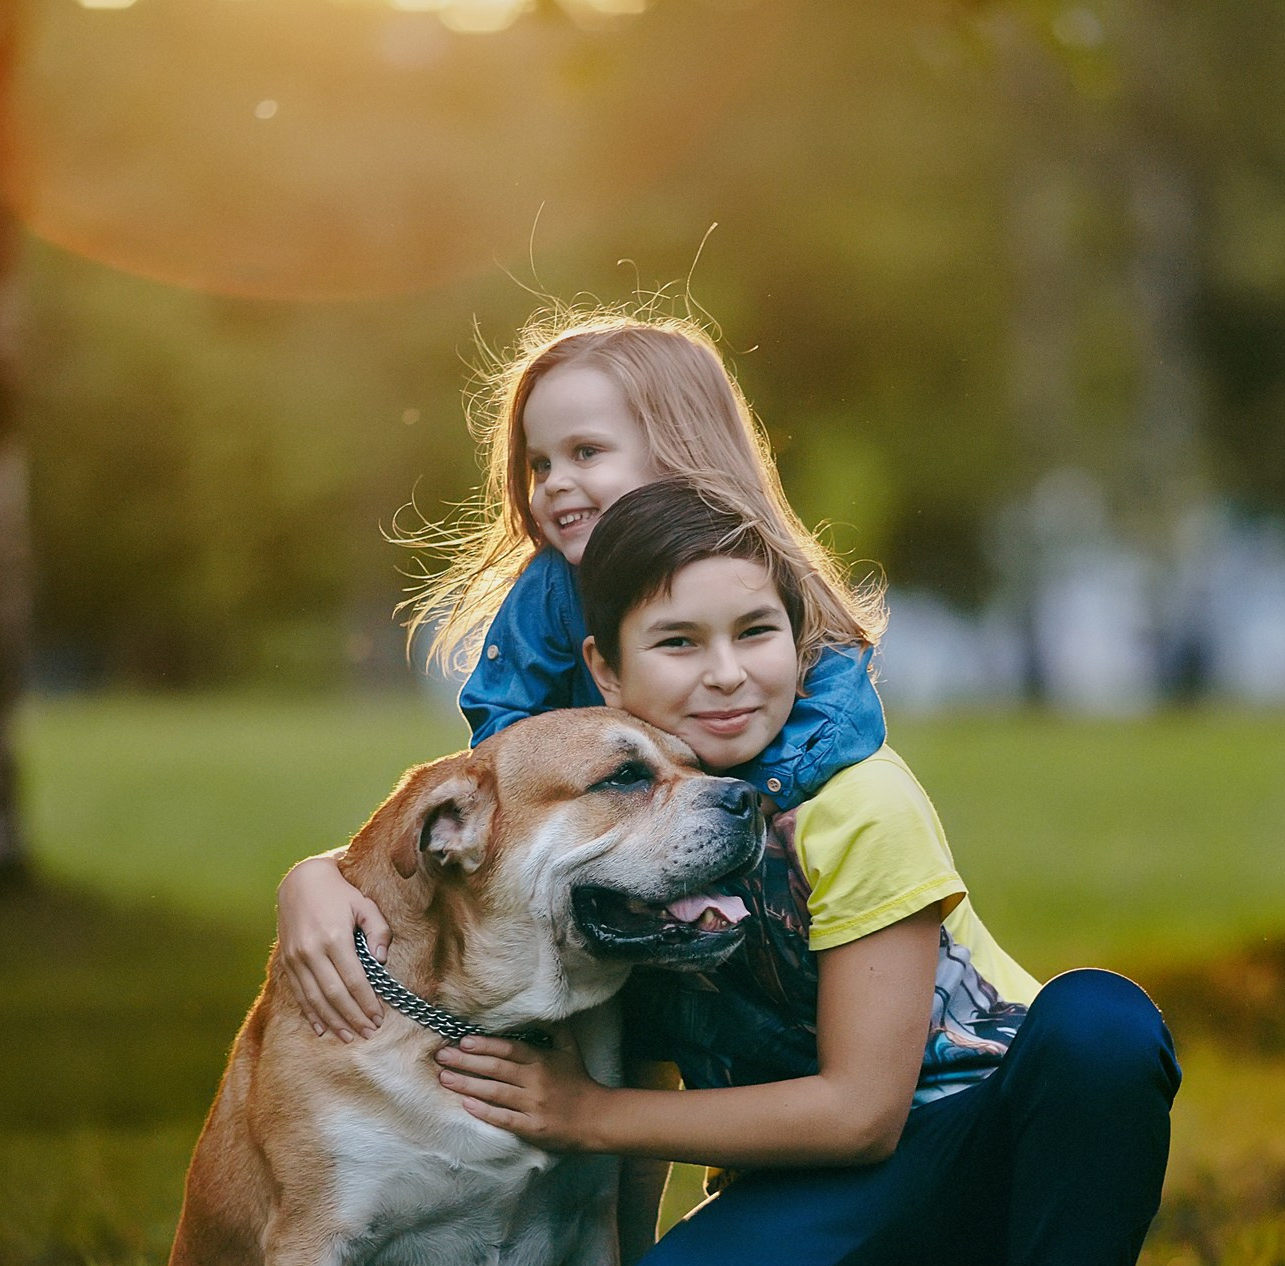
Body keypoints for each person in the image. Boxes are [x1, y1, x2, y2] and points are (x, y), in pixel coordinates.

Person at [435, 480, 1180, 1266]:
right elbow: (462, 831)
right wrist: (318, 884)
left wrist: (584, 1111)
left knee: (1101, 1023)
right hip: (831, 1196)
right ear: (606, 669)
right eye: (678, 642)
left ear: (798, 636)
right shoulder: (615, 842)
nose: (728, 672)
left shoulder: (860, 801)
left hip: (996, 1162)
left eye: (757, 631)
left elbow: (861, 1111)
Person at [275, 310, 887, 1042]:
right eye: (540, 465)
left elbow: (843, 704)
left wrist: (763, 801)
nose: (557, 484)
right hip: (608, 852)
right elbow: (500, 755)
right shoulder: (547, 594)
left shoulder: (756, 580)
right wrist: (317, 876)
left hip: (702, 836)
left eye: (586, 452)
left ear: (680, 452)